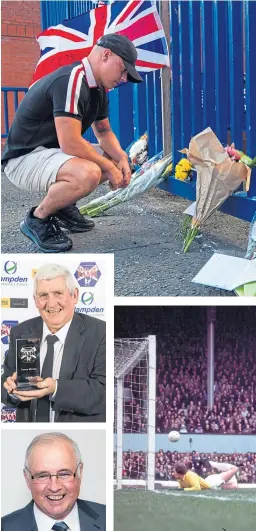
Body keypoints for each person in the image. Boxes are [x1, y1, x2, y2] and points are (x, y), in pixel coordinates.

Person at [1, 33, 143, 253]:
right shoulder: (73, 78)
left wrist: (122, 158)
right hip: (23, 159)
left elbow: (104, 132)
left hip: (49, 154)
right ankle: (38, 218)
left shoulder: (98, 90)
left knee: (111, 159)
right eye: (123, 70)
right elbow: (70, 143)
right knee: (89, 172)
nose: (124, 78)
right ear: (106, 55)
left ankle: (63, 205)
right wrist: (108, 167)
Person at [1, 264, 106, 422]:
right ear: (35, 300)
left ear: (74, 295)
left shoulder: (101, 332)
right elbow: (5, 386)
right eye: (43, 295)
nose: (51, 304)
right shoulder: (20, 332)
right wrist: (11, 390)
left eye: (58, 293)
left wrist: (56, 388)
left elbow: (103, 392)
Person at [1, 432, 106, 531]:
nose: (54, 487)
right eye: (42, 476)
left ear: (80, 472)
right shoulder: (5, 527)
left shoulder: (108, 517)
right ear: (27, 479)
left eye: (64, 474)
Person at [173, 461, 238, 491]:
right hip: (209, 483)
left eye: (174, 472)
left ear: (179, 473)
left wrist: (184, 489)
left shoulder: (190, 475)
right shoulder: (180, 479)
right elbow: (181, 487)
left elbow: (197, 488)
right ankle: (229, 476)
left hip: (213, 482)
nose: (173, 473)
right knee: (234, 486)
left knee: (234, 469)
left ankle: (215, 464)